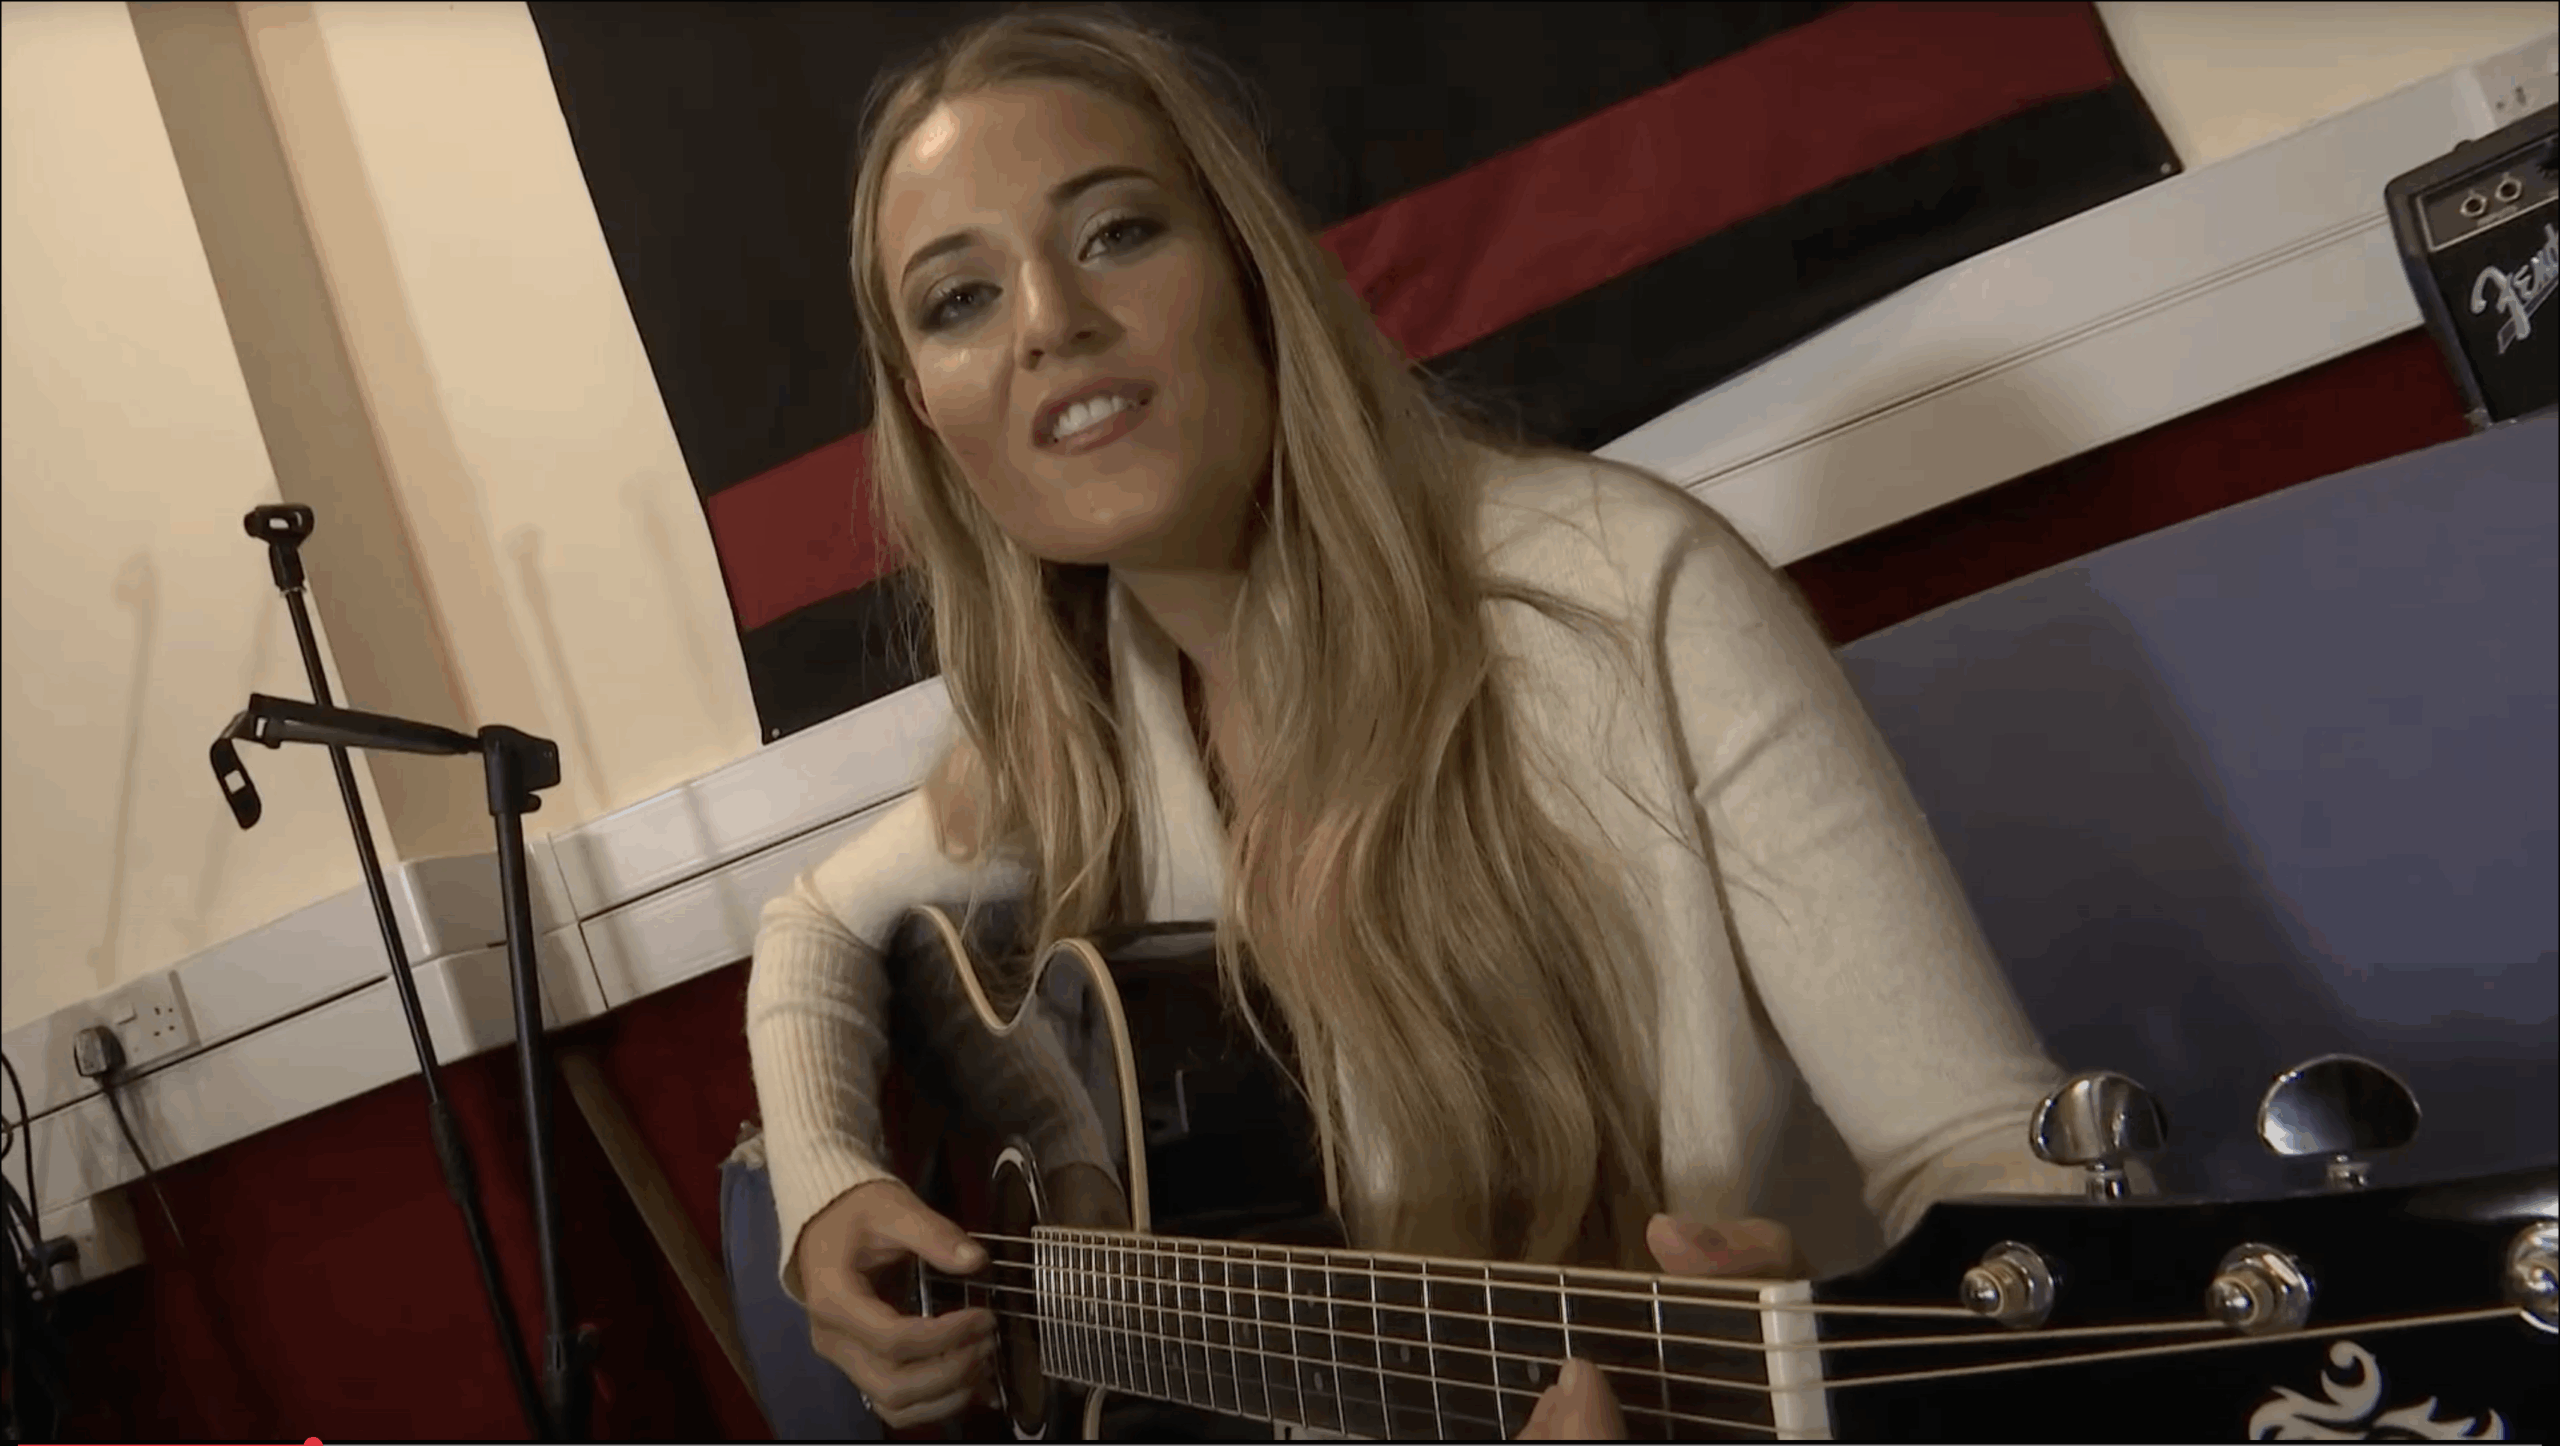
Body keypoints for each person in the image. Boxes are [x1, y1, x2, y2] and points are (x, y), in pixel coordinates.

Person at [743, 6, 2093, 1439]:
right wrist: (825, 1188)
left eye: (1116, 232)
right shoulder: (1080, 740)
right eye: (959, 300)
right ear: (929, 416)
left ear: (1249, 269)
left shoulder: (1629, 597)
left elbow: (2009, 1184)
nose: (1049, 321)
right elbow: (810, 931)